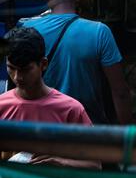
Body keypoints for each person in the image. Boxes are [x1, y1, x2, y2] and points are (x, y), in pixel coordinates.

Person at [18, 0, 132, 125]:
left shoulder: (25, 29)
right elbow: (120, 92)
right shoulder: (100, 32)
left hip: (41, 133)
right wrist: (127, 138)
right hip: (87, 134)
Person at [0, 27, 99, 168]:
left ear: (43, 64)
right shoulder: (1, 106)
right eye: (11, 68)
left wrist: (61, 162)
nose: (17, 77)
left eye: (25, 69)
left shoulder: (71, 110)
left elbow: (94, 165)